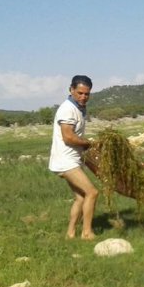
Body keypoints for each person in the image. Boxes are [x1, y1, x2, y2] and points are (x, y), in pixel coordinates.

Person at [48, 75, 99, 240]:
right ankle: (87, 233)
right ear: (71, 90)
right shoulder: (67, 109)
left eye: (87, 94)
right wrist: (88, 144)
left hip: (71, 160)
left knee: (80, 197)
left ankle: (70, 234)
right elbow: (68, 137)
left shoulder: (78, 108)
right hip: (66, 161)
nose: (83, 97)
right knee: (92, 192)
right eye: (80, 93)